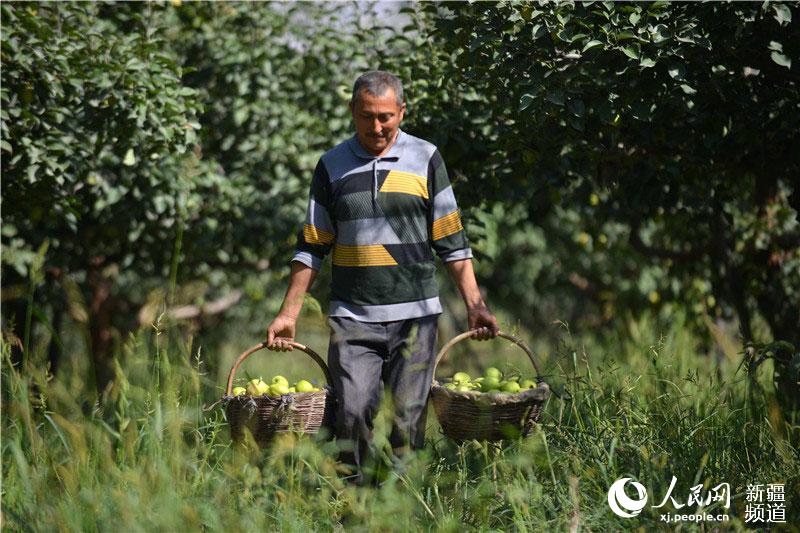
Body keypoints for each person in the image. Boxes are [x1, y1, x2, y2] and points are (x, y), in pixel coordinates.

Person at [265, 70, 499, 484]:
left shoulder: (426, 158)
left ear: (402, 112)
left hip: (416, 317)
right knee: (352, 414)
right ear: (353, 112)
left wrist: (475, 305)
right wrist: (289, 312)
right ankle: (355, 507)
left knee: (408, 422)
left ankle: (401, 504)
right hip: (353, 317)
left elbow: (452, 240)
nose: (377, 127)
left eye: (386, 117)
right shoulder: (331, 166)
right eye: (368, 116)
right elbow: (312, 245)